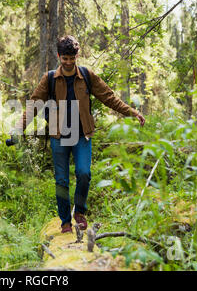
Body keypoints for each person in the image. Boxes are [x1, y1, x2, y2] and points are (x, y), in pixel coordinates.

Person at [8, 35, 145, 233]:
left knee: (84, 173)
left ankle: (79, 212)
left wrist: (132, 111)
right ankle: (65, 222)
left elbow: (108, 97)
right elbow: (34, 105)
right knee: (61, 180)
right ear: (59, 56)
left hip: (82, 135)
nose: (69, 62)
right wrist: (18, 128)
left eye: (72, 58)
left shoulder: (86, 75)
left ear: (77, 56)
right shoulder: (50, 79)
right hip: (59, 136)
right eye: (65, 58)